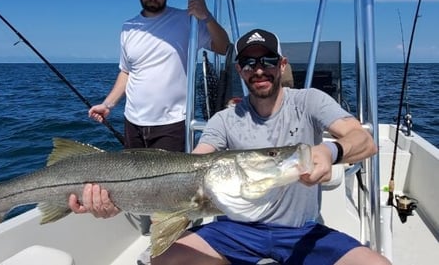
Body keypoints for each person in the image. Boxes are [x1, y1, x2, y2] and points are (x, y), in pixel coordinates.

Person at [70, 28, 391, 265]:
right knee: (162, 260)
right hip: (235, 230)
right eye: (249, 64)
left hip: (300, 230)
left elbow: (364, 140)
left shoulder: (309, 101)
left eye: (267, 60)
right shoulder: (224, 119)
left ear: (281, 64)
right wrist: (118, 198)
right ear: (240, 70)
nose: (259, 69)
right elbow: (194, 166)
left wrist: (329, 151)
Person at [87, 0, 229, 153]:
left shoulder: (188, 21)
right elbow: (126, 72)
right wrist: (107, 104)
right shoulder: (128, 28)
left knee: (172, 184)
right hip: (132, 123)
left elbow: (223, 47)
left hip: (172, 125)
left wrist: (206, 16)